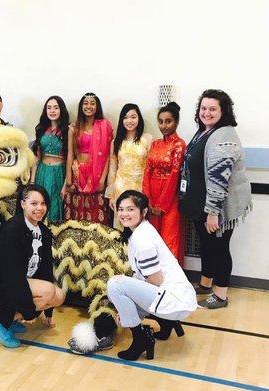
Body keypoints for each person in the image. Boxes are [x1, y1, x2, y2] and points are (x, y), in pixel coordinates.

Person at [0, 184, 65, 348]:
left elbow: (46, 269)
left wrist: (48, 312)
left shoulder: (44, 232)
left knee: (59, 296)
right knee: (48, 291)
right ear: (23, 204)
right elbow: (11, 275)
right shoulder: (13, 229)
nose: (40, 208)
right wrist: (28, 310)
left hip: (20, 283)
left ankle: (11, 318)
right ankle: (1, 321)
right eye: (34, 204)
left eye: (43, 203)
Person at [179, 89, 252, 309]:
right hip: (203, 204)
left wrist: (213, 212)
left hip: (219, 207)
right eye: (203, 108)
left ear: (223, 111)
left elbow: (220, 178)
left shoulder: (224, 135)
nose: (206, 113)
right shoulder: (204, 131)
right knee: (208, 246)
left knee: (219, 248)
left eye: (212, 109)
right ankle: (205, 284)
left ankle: (220, 296)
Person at [107, 190, 197, 361]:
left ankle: (140, 339)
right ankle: (166, 323)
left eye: (130, 209)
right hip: (177, 298)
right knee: (119, 291)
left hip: (173, 301)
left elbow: (155, 280)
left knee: (114, 285)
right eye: (121, 209)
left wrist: (132, 311)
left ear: (144, 211)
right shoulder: (143, 230)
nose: (124, 214)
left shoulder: (142, 239)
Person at [142, 102, 186, 265]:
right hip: (152, 195)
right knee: (152, 239)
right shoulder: (155, 143)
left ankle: (172, 280)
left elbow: (175, 175)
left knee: (169, 239)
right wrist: (148, 200)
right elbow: (147, 171)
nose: (163, 125)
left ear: (176, 122)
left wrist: (161, 205)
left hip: (170, 198)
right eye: (160, 121)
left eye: (168, 121)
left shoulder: (179, 144)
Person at [64, 93, 113, 224]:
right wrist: (69, 179)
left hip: (96, 174)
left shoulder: (105, 127)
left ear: (97, 107)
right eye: (86, 103)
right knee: (77, 212)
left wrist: (102, 179)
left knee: (96, 210)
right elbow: (70, 154)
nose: (89, 106)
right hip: (78, 173)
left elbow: (108, 155)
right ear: (81, 106)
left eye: (92, 103)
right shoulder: (74, 128)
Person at [106, 103, 152, 228]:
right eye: (126, 117)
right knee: (122, 226)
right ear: (121, 120)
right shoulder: (116, 142)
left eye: (133, 117)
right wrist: (111, 195)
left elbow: (150, 168)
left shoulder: (147, 139)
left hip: (140, 187)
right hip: (121, 188)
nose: (129, 121)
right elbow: (112, 169)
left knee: (139, 223)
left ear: (139, 119)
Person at [30, 96, 69, 222]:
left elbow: (70, 159)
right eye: (49, 108)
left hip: (59, 173)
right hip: (42, 171)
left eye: (56, 108)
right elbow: (36, 159)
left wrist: (66, 185)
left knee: (55, 206)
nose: (52, 111)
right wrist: (32, 182)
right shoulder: (41, 129)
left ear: (61, 110)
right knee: (40, 203)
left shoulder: (68, 130)